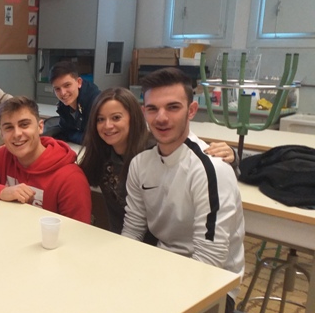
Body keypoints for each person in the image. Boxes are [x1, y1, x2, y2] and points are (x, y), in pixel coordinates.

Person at [121, 68, 245, 313]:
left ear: (191, 111)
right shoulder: (141, 164)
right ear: (143, 112)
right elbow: (132, 230)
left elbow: (209, 262)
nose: (161, 118)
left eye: (173, 107)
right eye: (152, 109)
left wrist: (146, 294)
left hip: (213, 287)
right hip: (161, 268)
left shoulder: (211, 169)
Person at [79, 87, 236, 234]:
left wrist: (232, 156)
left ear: (133, 117)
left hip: (162, 243)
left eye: (116, 118)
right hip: (123, 238)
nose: (107, 125)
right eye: (100, 119)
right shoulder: (100, 153)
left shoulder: (156, 150)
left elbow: (198, 162)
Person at [0, 96, 91, 223]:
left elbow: (79, 236)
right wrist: (1, 191)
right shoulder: (3, 156)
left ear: (40, 127)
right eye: (8, 128)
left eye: (24, 124)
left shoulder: (70, 178)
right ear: (1, 133)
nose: (17, 134)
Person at [44, 61, 100, 144]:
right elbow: (65, 130)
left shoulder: (96, 102)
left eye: (67, 85)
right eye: (57, 89)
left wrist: (70, 135)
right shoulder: (63, 105)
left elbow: (95, 138)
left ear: (79, 82)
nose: (63, 93)